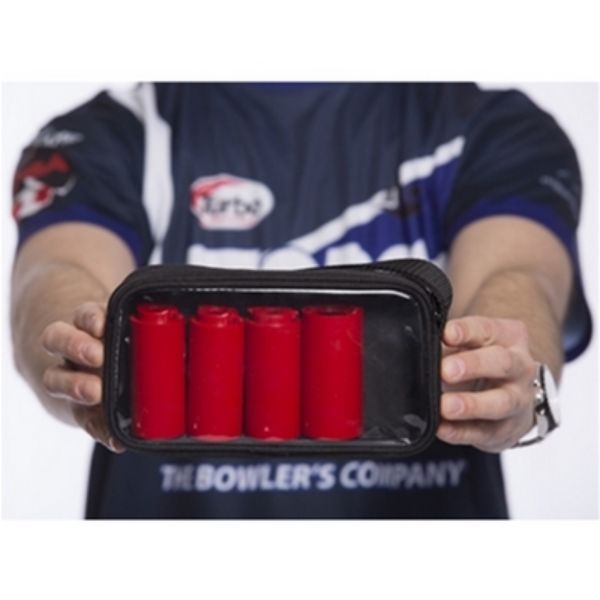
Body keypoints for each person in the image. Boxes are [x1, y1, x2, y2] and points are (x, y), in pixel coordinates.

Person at [10, 83, 591, 518]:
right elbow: (58, 272)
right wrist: (80, 348)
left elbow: (520, 276)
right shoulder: (117, 130)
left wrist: (508, 372)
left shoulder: (492, 127)